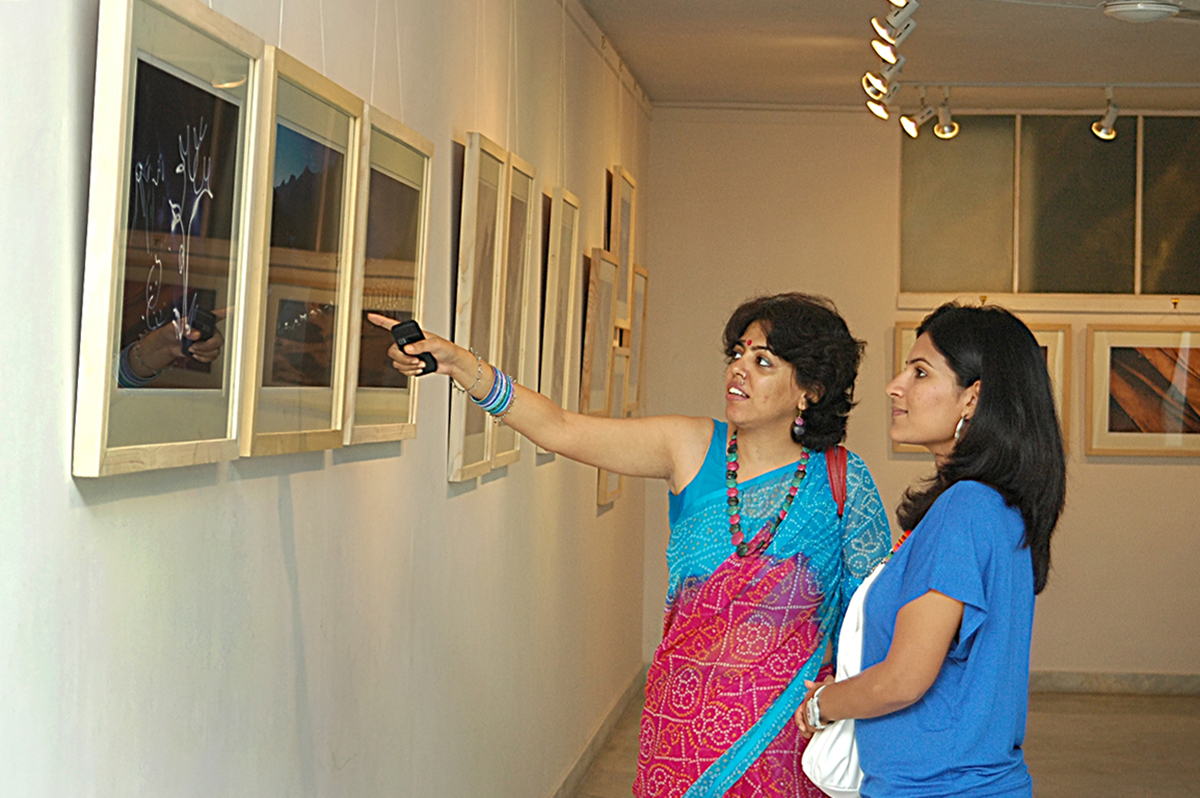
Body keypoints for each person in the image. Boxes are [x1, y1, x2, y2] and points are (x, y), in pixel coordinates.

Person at [374, 293, 891, 797]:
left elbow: (871, 620)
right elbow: (561, 429)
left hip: (790, 734)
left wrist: (845, 706)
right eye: (737, 354)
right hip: (680, 727)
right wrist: (462, 366)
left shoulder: (843, 481)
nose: (738, 369)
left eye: (763, 362)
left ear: (811, 390)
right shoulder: (687, 446)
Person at [795, 303, 1067, 798]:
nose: (894, 386)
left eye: (920, 372)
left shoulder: (965, 508)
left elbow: (904, 679)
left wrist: (822, 705)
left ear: (972, 399)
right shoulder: (996, 507)